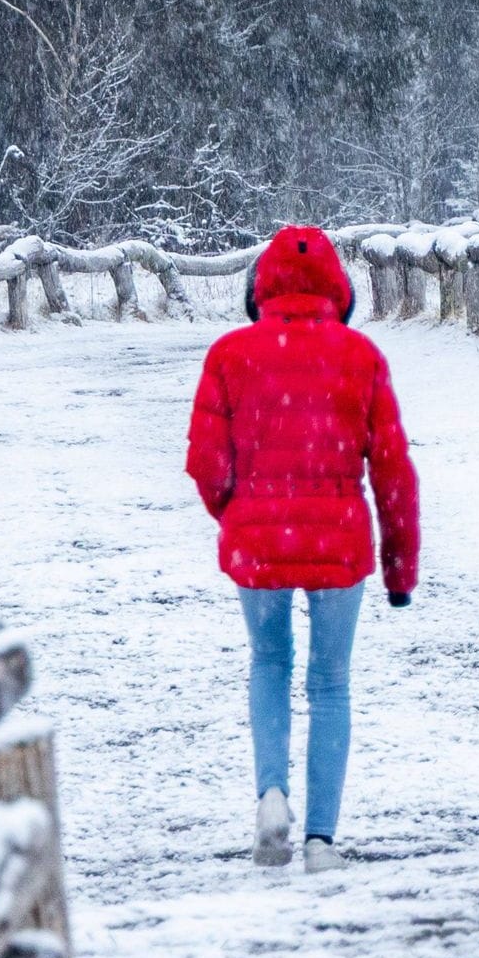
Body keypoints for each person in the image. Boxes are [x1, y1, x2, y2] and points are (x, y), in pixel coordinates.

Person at [186, 225, 420, 872]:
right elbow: (394, 473)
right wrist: (400, 567)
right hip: (339, 543)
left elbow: (207, 463)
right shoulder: (360, 357)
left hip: (259, 541)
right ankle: (320, 841)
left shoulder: (230, 355)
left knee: (268, 663)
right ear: (337, 289)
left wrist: (236, 514)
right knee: (330, 680)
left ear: (259, 288)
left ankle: (271, 796)